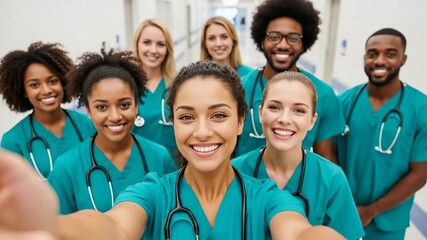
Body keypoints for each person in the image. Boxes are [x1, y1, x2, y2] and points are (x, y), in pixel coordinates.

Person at [0, 61, 346, 240]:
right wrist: (48, 226)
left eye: (219, 115)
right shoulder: (152, 192)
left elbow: (300, 231)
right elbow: (111, 227)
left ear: (242, 121)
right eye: (186, 117)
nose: (202, 131)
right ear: (173, 122)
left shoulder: (266, 196)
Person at [232, 71, 364, 239]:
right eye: (274, 107)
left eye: (299, 110)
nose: (285, 119)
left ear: (312, 120)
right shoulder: (233, 173)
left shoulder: (331, 179)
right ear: (260, 113)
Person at [47, 49, 177, 214]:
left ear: (136, 105)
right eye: (102, 107)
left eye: (124, 105)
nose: (115, 116)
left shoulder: (159, 157)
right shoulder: (67, 168)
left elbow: (175, 218)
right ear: (88, 110)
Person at [334, 28, 427, 240]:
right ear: (365, 57)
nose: (379, 60)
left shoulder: (421, 108)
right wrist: (342, 202)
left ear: (403, 59)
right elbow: (328, 154)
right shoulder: (345, 102)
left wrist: (371, 211)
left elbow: (420, 174)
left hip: (387, 221)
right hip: (341, 211)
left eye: (390, 54)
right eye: (373, 53)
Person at [234, 0, 345, 162]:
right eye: (274, 36)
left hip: (297, 186)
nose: (283, 45)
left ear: (303, 43)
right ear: (262, 41)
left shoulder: (323, 94)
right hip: (244, 184)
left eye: (293, 38)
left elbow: (325, 156)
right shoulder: (240, 89)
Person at [0, 42, 95, 180]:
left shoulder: (89, 126)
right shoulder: (13, 141)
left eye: (52, 81)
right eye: (34, 85)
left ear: (63, 82)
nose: (46, 90)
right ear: (24, 91)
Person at [130, 19, 177, 155]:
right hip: (136, 164)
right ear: (137, 45)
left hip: (172, 167)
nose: (153, 50)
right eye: (147, 42)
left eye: (160, 44)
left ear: (167, 49)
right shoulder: (126, 86)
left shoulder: (178, 85)